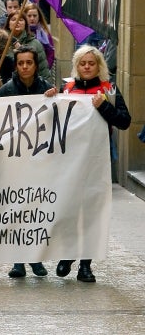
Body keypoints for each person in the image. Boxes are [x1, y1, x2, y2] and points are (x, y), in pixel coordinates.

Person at [56, 45, 131, 284]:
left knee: (91, 212)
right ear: (76, 66)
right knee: (68, 209)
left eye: (91, 63)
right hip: (69, 160)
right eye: (82, 63)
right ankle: (67, 255)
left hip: (97, 161)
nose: (87, 67)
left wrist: (104, 106)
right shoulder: (66, 89)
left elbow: (124, 121)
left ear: (99, 65)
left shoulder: (109, 90)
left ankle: (85, 265)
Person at [0, 47, 56, 279]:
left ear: (35, 64)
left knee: (36, 212)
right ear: (16, 66)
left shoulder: (46, 89)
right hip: (15, 160)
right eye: (20, 63)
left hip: (40, 160)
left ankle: (36, 259)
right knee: (16, 212)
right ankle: (18, 261)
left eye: (28, 63)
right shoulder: (6, 91)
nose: (24, 67)